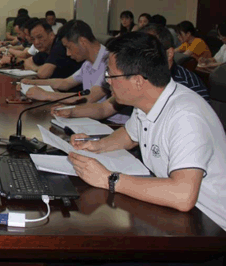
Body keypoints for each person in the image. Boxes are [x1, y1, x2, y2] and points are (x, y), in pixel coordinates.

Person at [68, 32, 226, 231]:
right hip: (179, 213)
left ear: (138, 81)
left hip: (211, 224)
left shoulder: (186, 116)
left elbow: (183, 195)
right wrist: (96, 146)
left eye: (111, 75)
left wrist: (109, 179)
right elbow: (129, 135)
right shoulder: (147, 103)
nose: (107, 81)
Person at [54, 24, 210, 121]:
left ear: (169, 54)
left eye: (148, 52)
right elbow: (103, 109)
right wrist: (69, 112)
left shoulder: (187, 90)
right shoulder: (141, 80)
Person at [22, 20, 113, 107]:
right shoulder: (88, 63)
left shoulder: (109, 62)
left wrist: (46, 95)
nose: (67, 53)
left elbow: (89, 98)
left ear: (82, 42)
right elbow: (65, 83)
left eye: (68, 47)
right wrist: (31, 82)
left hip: (103, 117)